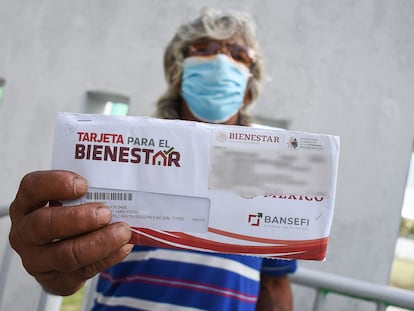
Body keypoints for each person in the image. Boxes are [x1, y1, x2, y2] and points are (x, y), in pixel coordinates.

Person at [8, 8, 297, 311]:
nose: (222, 61)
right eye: (205, 49)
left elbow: (275, 285)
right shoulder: (127, 156)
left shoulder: (270, 173)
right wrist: (55, 267)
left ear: (249, 91)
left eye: (238, 54)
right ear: (177, 72)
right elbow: (66, 267)